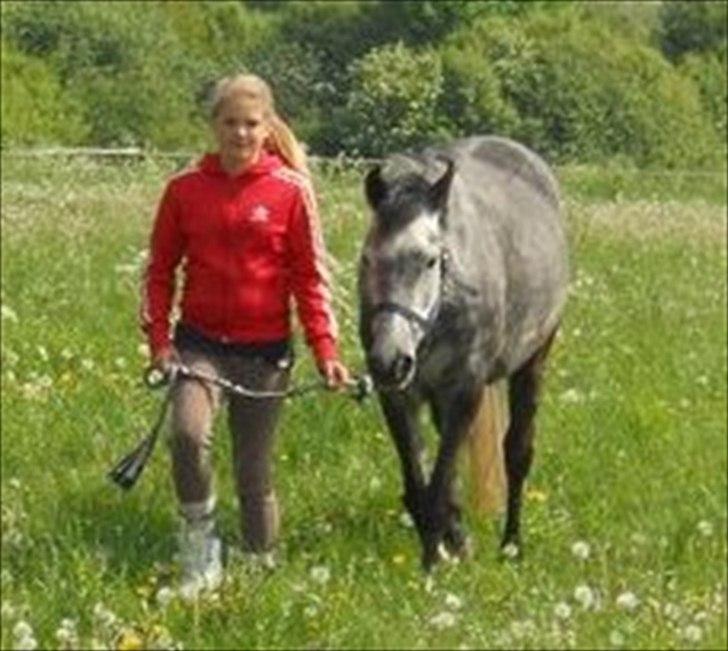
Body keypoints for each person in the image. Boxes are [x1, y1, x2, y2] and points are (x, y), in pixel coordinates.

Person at [139, 73, 350, 598]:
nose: (240, 134)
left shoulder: (291, 191)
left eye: (251, 124)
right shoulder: (184, 190)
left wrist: (327, 351)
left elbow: (310, 277)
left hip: (266, 353)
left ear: (267, 126)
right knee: (188, 437)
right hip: (199, 345)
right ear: (213, 126)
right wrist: (160, 342)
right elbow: (159, 269)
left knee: (253, 470)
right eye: (230, 123)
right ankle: (199, 549)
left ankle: (259, 568)